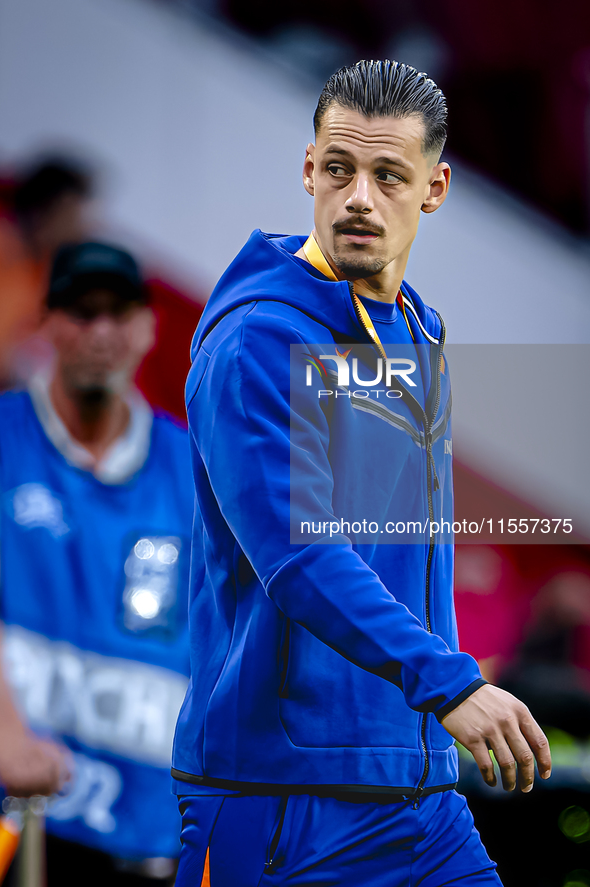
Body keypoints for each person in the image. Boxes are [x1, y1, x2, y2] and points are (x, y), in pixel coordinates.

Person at [172, 60, 552, 886]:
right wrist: (450, 682)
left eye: (389, 176)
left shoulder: (418, 327)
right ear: (309, 169)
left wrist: (430, 707)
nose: (357, 199)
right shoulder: (255, 342)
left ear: (435, 187)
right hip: (280, 800)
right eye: (339, 170)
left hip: (419, 795)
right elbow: (300, 557)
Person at [0, 242, 193, 885]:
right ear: (47, 321)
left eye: (119, 312)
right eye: (83, 312)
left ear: (148, 327)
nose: (101, 331)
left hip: (144, 837)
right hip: (13, 821)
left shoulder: (198, 476)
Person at [0, 158, 92, 387]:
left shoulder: (47, 268)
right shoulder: (7, 257)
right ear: (40, 214)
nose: (80, 230)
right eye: (70, 217)